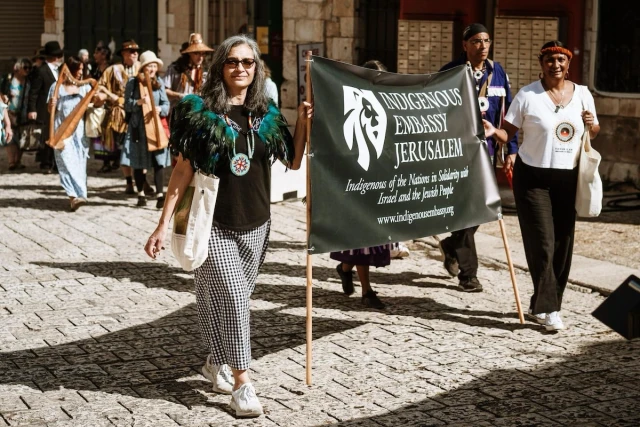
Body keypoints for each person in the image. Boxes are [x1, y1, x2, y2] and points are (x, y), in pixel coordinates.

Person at [144, 34, 311, 418]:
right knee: (235, 299)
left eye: (248, 62)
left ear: (257, 68)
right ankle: (242, 384)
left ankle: (214, 361)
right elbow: (182, 170)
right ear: (221, 66)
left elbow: (294, 161)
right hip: (213, 222)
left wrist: (302, 123)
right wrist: (162, 224)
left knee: (223, 298)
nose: (240, 68)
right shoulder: (200, 113)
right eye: (233, 61)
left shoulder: (266, 113)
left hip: (257, 224)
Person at [485, 40, 600, 331]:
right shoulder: (528, 95)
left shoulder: (583, 94)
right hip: (533, 179)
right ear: (541, 63)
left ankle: (544, 302)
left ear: (568, 64)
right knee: (543, 244)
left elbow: (593, 132)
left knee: (562, 244)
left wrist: (592, 124)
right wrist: (492, 130)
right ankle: (551, 309)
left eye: (561, 60)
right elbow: (508, 132)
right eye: (550, 60)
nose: (555, 65)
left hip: (568, 178)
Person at [437, 23, 518, 293]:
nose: (482, 46)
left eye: (486, 41)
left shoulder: (498, 72)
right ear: (465, 45)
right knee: (466, 211)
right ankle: (468, 275)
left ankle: (451, 244)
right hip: (458, 153)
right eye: (475, 41)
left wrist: (511, 148)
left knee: (482, 209)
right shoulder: (450, 71)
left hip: (487, 152)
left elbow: (507, 114)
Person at [330, 59, 395, 311]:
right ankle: (367, 291)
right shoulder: (349, 106)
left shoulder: (389, 105)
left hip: (380, 179)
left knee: (370, 238)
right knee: (362, 236)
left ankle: (345, 268)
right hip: (356, 179)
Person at [96, 40, 147, 194]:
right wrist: (111, 96)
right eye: (131, 52)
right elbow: (99, 86)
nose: (135, 54)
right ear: (124, 54)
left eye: (136, 51)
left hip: (140, 114)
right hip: (120, 116)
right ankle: (129, 181)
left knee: (141, 149)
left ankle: (143, 182)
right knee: (125, 148)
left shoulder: (142, 68)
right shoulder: (113, 70)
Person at [122, 51, 171, 209]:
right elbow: (126, 105)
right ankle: (141, 194)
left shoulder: (159, 82)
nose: (152, 69)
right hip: (138, 127)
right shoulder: (133, 83)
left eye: (154, 66)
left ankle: (160, 195)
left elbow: (166, 104)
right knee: (138, 161)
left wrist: (160, 109)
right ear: (143, 68)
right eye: (150, 66)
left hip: (155, 126)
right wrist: (138, 102)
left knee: (159, 161)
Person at [47, 56, 93, 211]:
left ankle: (81, 194)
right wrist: (51, 104)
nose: (80, 73)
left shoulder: (85, 87)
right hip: (61, 130)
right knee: (65, 163)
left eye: (81, 70)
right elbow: (50, 110)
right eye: (77, 70)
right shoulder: (56, 87)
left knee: (79, 163)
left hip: (79, 132)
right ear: (69, 71)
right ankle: (73, 196)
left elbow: (95, 102)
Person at [27, 40, 65, 173]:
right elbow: (34, 92)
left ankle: (56, 162)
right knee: (46, 135)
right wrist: (32, 109)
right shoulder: (41, 71)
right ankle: (46, 162)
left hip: (57, 107)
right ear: (55, 57)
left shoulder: (60, 70)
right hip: (44, 108)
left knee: (57, 134)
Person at [163, 33, 213, 116]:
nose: (201, 57)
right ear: (190, 53)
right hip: (179, 113)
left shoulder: (206, 71)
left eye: (203, 54)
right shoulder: (176, 68)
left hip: (198, 114)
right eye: (197, 53)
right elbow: (164, 90)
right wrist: (179, 96)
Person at [0, 58, 32, 170]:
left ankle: (18, 160)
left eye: (29, 68)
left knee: (22, 136)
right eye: (25, 67)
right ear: (17, 68)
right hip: (10, 111)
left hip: (24, 111)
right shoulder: (8, 80)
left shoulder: (29, 81)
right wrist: (4, 98)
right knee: (10, 136)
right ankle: (11, 161)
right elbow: (1, 92)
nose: (27, 70)